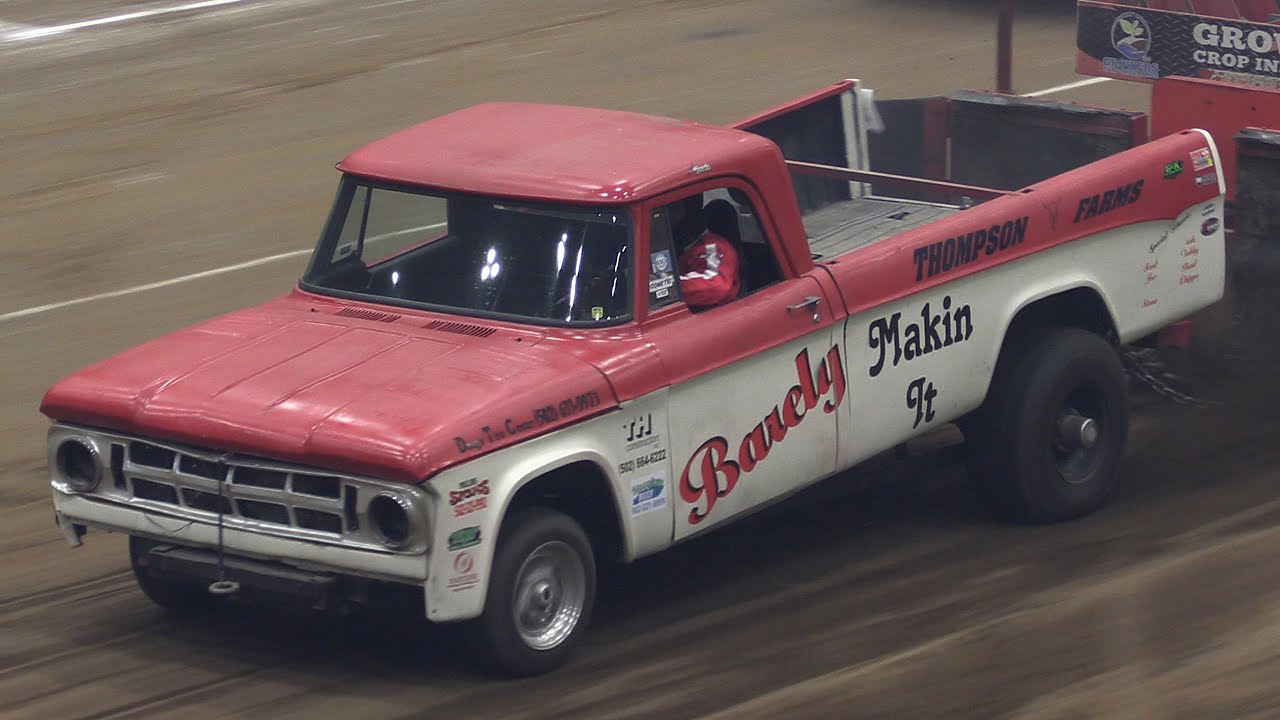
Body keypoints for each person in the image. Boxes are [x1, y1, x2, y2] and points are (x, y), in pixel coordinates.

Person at [676, 201, 740, 309]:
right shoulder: (682, 247)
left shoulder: (713, 247)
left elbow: (717, 284)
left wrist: (667, 288)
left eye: (676, 211)